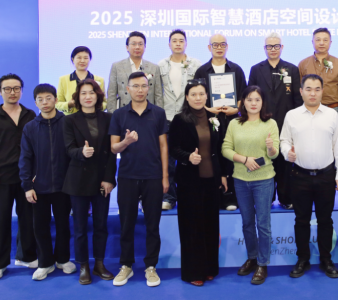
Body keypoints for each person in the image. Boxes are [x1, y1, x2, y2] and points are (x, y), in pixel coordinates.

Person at [280, 74, 338, 279]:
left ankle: (326, 259)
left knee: (325, 220)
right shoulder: (291, 115)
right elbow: (284, 140)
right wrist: (287, 153)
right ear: (301, 91)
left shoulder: (332, 115)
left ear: (322, 91)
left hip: (326, 176)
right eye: (308, 89)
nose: (313, 93)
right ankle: (303, 259)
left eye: (317, 89)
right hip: (300, 176)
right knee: (301, 220)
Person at [109, 72, 169, 287]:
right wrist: (126, 142)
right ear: (127, 89)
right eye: (135, 86)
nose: (140, 90)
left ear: (148, 88)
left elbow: (164, 146)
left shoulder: (158, 113)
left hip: (153, 176)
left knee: (153, 225)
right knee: (127, 224)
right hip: (127, 176)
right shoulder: (119, 115)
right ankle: (126, 265)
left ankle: (151, 266)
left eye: (144, 86)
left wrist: (165, 177)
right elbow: (113, 147)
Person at [168, 80, 228, 286]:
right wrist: (188, 157)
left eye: (201, 94)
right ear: (187, 97)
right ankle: (194, 272)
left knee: (210, 225)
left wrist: (222, 174)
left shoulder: (214, 118)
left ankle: (210, 268)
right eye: (193, 94)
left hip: (211, 180)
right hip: (189, 182)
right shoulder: (179, 120)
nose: (197, 98)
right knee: (192, 227)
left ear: (207, 96)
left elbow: (219, 149)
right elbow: (173, 148)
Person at [0, 73, 37, 280]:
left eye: (16, 88)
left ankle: (27, 256)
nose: (12, 92)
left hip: (27, 178)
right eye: (8, 89)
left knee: (29, 218)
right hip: (0, 177)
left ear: (21, 90)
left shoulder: (31, 115)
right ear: (0, 92)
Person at [222, 86, 280, 285]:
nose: (253, 103)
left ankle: (263, 264)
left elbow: (274, 155)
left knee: (263, 224)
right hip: (240, 180)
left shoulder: (270, 123)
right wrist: (244, 159)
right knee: (247, 223)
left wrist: (271, 148)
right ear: (243, 102)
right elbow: (226, 149)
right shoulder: (234, 124)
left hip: (264, 180)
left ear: (263, 102)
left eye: (257, 99)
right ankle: (252, 258)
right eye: (249, 99)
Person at [63, 79, 117, 285]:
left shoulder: (109, 118)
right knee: (80, 227)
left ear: (98, 96)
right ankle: (83, 265)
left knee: (101, 225)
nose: (88, 96)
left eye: (92, 92)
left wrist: (109, 178)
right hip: (78, 180)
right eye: (83, 93)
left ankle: (99, 264)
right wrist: (81, 152)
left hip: (102, 180)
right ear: (78, 97)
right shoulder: (69, 120)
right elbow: (68, 149)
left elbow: (112, 152)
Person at [19, 84, 75, 280]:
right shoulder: (30, 127)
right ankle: (45, 263)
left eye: (48, 98)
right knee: (40, 227)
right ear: (35, 103)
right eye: (40, 99)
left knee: (63, 225)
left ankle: (63, 259)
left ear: (55, 100)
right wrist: (27, 185)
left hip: (64, 186)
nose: (45, 102)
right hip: (39, 187)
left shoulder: (68, 123)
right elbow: (25, 158)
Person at [248, 32, 302, 209]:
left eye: (276, 46)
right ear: (264, 48)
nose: (273, 49)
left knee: (286, 162)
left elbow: (297, 98)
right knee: (265, 160)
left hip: (286, 122)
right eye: (269, 46)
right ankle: (267, 197)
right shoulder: (256, 69)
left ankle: (286, 198)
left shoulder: (292, 69)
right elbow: (250, 98)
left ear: (282, 47)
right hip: (263, 122)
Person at [194, 33, 247, 211]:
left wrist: (236, 108)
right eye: (215, 44)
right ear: (209, 47)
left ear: (227, 46)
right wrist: (208, 109)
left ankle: (230, 197)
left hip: (232, 120)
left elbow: (244, 95)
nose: (219, 47)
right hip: (209, 120)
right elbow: (196, 96)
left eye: (222, 44)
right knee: (212, 156)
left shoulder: (236, 69)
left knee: (231, 156)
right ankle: (213, 197)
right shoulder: (202, 71)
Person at [158, 29, 202, 211]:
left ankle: (189, 194)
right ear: (169, 44)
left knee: (190, 157)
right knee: (167, 160)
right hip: (167, 116)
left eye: (181, 40)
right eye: (174, 41)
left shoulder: (196, 64)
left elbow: (200, 91)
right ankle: (169, 197)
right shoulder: (161, 65)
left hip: (188, 117)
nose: (178, 43)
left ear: (186, 43)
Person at [108, 31, 163, 113]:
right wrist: (112, 115)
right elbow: (111, 93)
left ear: (145, 47)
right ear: (127, 47)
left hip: (148, 113)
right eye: (133, 44)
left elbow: (158, 95)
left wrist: (159, 114)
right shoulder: (117, 66)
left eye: (140, 44)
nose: (137, 47)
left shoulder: (154, 68)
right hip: (124, 113)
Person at [298, 28, 338, 112]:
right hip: (310, 108)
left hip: (334, 108)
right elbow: (299, 90)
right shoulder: (303, 64)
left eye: (325, 40)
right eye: (318, 40)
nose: (321, 43)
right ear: (312, 42)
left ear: (330, 42)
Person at [56, 46, 106, 114]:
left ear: (90, 59)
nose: (82, 61)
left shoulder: (99, 79)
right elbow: (57, 104)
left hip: (93, 116)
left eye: (86, 58)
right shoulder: (63, 79)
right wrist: (69, 104)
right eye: (79, 58)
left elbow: (104, 103)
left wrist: (96, 105)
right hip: (71, 117)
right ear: (73, 59)